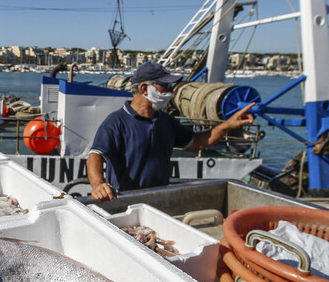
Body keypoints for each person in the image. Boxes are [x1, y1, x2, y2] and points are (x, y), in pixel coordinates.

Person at [87, 61, 255, 202]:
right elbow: (95, 155)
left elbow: (198, 143)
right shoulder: (116, 122)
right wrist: (99, 184)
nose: (171, 91)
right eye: (165, 86)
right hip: (124, 200)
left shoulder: (166, 121)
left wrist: (228, 125)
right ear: (145, 88)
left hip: (158, 200)